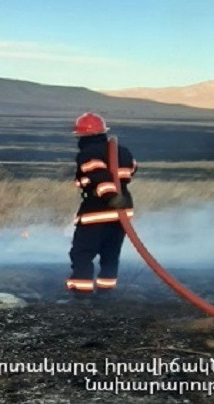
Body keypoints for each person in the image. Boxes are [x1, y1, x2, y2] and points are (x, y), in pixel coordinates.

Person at [66, 112, 137, 297]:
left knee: (82, 253)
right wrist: (119, 201)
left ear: (83, 136)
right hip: (122, 212)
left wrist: (113, 199)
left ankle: (81, 297)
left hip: (97, 212)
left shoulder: (88, 154)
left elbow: (101, 180)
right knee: (110, 255)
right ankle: (105, 295)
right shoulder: (123, 150)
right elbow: (132, 169)